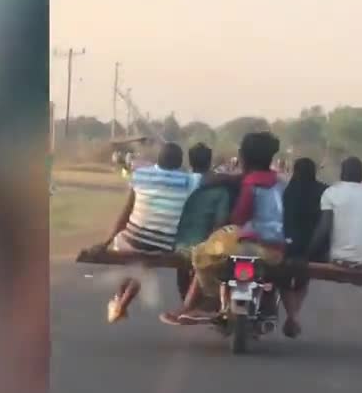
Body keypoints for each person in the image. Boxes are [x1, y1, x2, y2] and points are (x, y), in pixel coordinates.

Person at [163, 131, 286, 325]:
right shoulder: (279, 183)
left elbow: (239, 217)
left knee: (202, 254)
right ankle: (268, 302)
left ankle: (205, 302)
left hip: (252, 245)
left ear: (243, 158)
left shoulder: (250, 184)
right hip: (277, 249)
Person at [101, 141, 200, 323]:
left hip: (131, 240)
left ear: (158, 160)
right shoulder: (188, 181)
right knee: (145, 264)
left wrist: (106, 241)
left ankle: (119, 301)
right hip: (162, 244)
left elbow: (126, 212)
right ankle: (120, 303)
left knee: (135, 260)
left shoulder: (139, 175)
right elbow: (208, 179)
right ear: (180, 163)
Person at [172, 142, 237, 300]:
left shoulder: (181, 183)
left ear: (190, 161)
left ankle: (185, 297)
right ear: (209, 162)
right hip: (203, 246)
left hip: (178, 243)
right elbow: (219, 223)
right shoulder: (221, 190)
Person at [306, 156, 362, 270]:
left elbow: (324, 228)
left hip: (337, 259)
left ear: (342, 173)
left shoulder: (331, 192)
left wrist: (308, 253)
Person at [279, 157, 329, 337]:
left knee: (282, 279)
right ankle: (294, 315)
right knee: (303, 278)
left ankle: (292, 314)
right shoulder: (324, 191)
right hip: (312, 248)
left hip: (287, 245)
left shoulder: (287, 190)